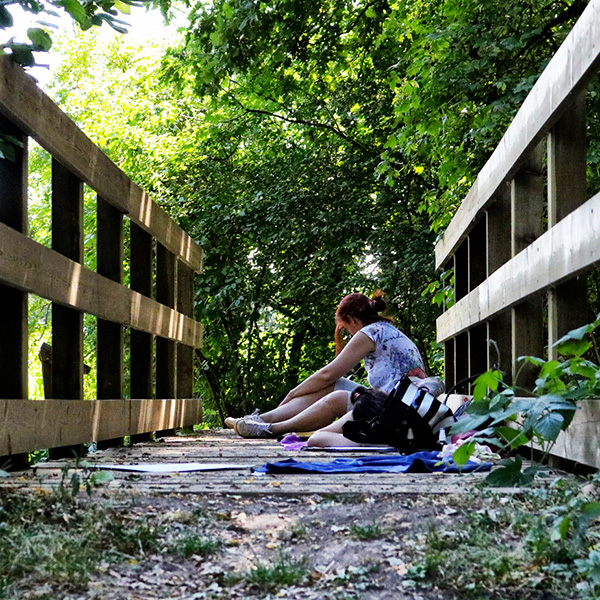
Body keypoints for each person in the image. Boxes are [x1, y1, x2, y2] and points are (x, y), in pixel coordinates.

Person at [228, 291, 428, 440]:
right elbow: (331, 378)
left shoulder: (370, 333)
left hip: (396, 410)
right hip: (398, 401)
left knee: (336, 395)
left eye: (345, 326)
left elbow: (328, 373)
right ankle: (260, 420)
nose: (348, 332)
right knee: (336, 384)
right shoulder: (386, 329)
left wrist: (292, 393)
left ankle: (272, 428)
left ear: (352, 319)